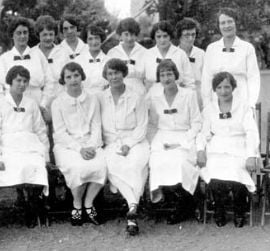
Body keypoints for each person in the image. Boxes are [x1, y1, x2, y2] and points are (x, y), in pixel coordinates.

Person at [197, 72, 259, 227]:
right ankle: (220, 209)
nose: (223, 91)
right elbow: (203, 133)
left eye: (227, 87)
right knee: (214, 171)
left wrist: (251, 155)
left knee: (236, 171)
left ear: (233, 87)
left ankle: (240, 210)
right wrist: (200, 150)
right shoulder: (210, 109)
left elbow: (251, 131)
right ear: (214, 90)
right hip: (217, 147)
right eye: (219, 87)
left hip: (239, 147)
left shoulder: (244, 107)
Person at [0, 65, 50, 228]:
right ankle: (24, 202)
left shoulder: (31, 104)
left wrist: (46, 154)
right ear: (10, 81)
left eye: (25, 81)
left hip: (30, 145)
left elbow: (40, 130)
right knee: (17, 165)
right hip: (9, 146)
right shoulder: (0, 104)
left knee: (36, 165)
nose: (22, 84)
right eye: (18, 80)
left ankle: (32, 203)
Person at [51, 62, 107, 226]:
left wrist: (91, 146)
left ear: (82, 77)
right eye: (68, 77)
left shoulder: (92, 99)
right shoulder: (58, 102)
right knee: (77, 168)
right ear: (64, 80)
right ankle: (76, 205)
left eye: (76, 75)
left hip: (91, 143)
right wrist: (80, 149)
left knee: (102, 165)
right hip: (67, 146)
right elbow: (60, 133)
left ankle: (88, 203)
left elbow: (96, 126)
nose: (73, 80)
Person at [146, 60, 201, 224]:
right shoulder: (154, 97)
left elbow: (197, 122)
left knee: (181, 162)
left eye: (169, 74)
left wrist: (184, 141)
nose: (166, 78)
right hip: (163, 136)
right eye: (162, 75)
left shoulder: (189, 94)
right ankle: (170, 199)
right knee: (157, 163)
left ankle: (185, 203)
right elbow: (151, 122)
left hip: (185, 135)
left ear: (176, 75)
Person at [98, 59, 149, 236]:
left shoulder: (136, 96)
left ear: (124, 74)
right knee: (112, 166)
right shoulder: (100, 97)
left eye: (117, 72)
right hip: (112, 143)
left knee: (136, 164)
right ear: (106, 76)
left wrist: (129, 144)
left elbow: (142, 125)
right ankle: (133, 206)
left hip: (135, 140)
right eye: (110, 73)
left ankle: (132, 210)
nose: (114, 77)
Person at [0, 17, 55, 121]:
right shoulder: (4, 58)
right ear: (12, 35)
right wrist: (5, 106)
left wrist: (43, 105)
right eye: (18, 33)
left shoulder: (38, 55)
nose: (22, 36)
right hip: (12, 107)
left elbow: (50, 82)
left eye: (25, 32)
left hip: (36, 104)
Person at [201, 8, 260, 108]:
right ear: (219, 26)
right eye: (223, 23)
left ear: (236, 23)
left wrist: (250, 104)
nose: (226, 26)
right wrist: (207, 104)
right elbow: (206, 79)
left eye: (230, 21)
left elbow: (253, 78)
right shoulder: (211, 49)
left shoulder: (247, 48)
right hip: (217, 103)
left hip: (241, 102)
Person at [143, 20, 194, 92]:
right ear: (154, 37)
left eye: (165, 36)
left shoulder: (180, 54)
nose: (162, 40)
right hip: (154, 98)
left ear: (170, 36)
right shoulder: (147, 54)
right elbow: (142, 80)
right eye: (158, 36)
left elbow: (189, 82)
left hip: (177, 97)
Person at [107, 18, 147, 96]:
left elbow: (148, 78)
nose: (129, 38)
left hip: (138, 92)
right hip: (117, 91)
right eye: (126, 34)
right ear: (120, 35)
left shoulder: (144, 52)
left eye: (132, 34)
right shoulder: (112, 53)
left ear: (136, 35)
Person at [32, 15, 69, 98]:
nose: (48, 38)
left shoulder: (63, 53)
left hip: (60, 98)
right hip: (37, 100)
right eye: (44, 34)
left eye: (51, 34)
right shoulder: (32, 54)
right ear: (38, 34)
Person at [176, 18, 205, 106]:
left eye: (193, 34)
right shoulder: (173, 54)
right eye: (187, 35)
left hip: (198, 96)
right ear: (179, 35)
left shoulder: (201, 54)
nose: (191, 38)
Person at [74, 24, 109, 95]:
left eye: (96, 38)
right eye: (90, 38)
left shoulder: (108, 61)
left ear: (101, 39)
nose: (94, 42)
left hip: (104, 98)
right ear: (86, 40)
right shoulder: (78, 61)